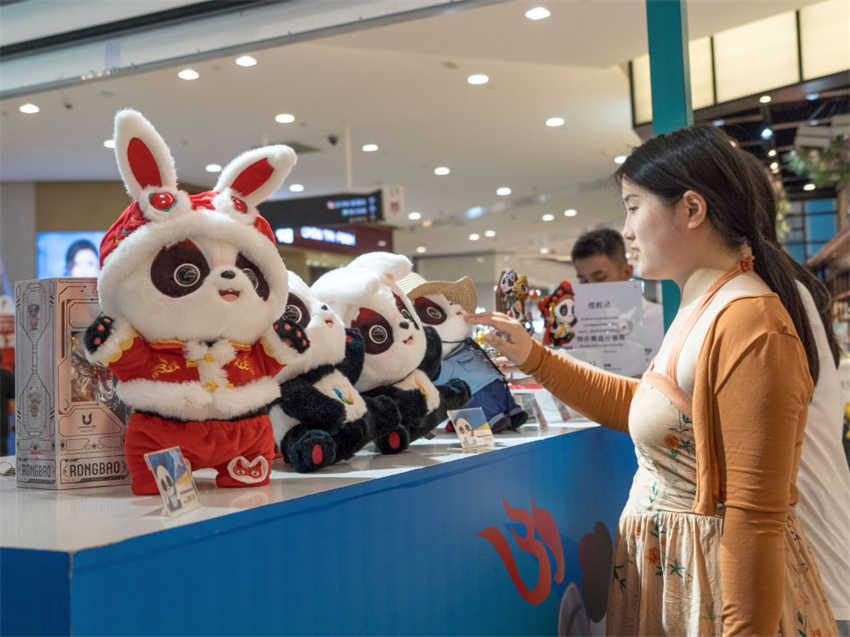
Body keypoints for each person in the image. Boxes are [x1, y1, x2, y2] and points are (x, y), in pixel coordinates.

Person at [468, 125, 837, 636]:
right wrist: (535, 358)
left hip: (719, 600)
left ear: (691, 209)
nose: (625, 229)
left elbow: (756, 519)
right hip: (687, 583)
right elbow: (647, 406)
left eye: (634, 206)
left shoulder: (750, 322)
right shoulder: (702, 304)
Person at [740, 149, 850, 635]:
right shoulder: (779, 285)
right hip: (811, 558)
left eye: (639, 206)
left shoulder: (762, 298)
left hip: (806, 567)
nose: (631, 229)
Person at [571, 228, 664, 373]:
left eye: (600, 278)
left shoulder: (660, 319)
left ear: (627, 272)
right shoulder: (580, 328)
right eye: (583, 281)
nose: (591, 288)